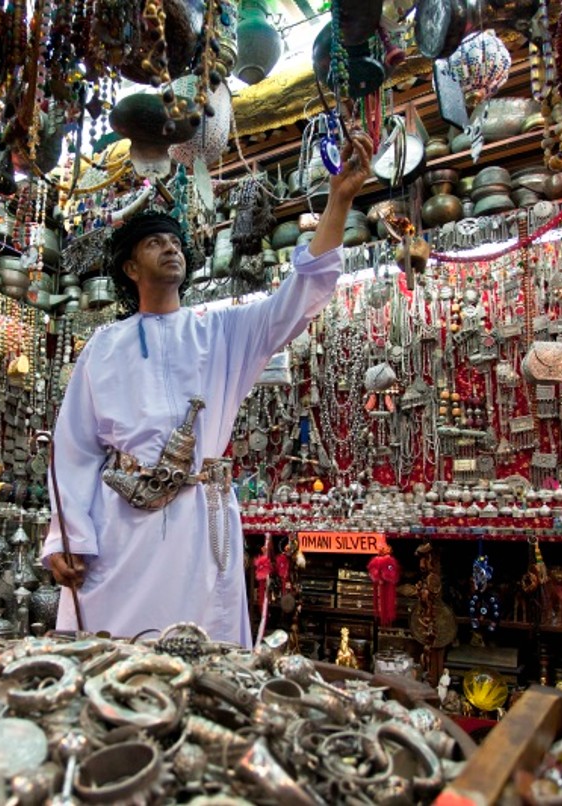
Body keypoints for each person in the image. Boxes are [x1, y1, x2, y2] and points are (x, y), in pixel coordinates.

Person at [41, 127, 374, 645]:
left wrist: (339, 200)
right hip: (121, 526)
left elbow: (302, 293)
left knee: (197, 651)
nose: (170, 249)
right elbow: (74, 452)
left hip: (200, 521)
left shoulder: (221, 331)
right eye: (155, 243)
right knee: (110, 651)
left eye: (176, 243)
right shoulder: (104, 347)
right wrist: (66, 537)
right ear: (130, 267)